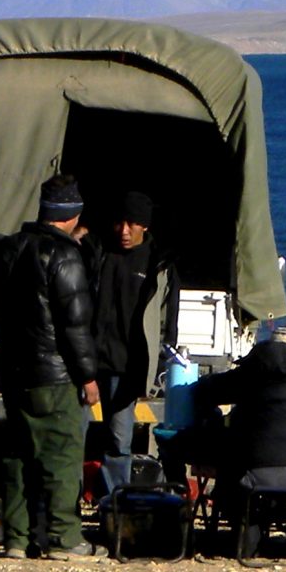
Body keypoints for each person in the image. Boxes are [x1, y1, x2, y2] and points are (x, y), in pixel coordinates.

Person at [0, 174, 103, 559]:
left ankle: (16, 540)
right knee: (62, 456)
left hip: (14, 370)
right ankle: (64, 539)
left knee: (20, 456)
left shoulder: (8, 251)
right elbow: (75, 326)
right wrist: (87, 376)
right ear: (72, 214)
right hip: (54, 375)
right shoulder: (64, 255)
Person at [195, 322, 286, 518]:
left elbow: (206, 390)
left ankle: (244, 535)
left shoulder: (250, 372)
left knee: (232, 459)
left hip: (254, 470)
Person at [84, 190, 164, 496]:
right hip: (89, 361)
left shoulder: (158, 263)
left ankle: (114, 505)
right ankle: (71, 506)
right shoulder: (100, 251)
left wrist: (153, 368)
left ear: (145, 226)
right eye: (119, 223)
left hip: (125, 366)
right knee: (74, 436)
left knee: (119, 440)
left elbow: (167, 321)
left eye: (132, 224)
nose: (124, 231)